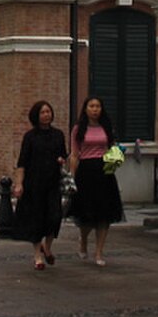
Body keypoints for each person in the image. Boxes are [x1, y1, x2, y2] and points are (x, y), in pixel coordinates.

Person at [68, 96, 124, 266]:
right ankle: (83, 240)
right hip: (85, 171)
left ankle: (99, 252)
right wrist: (72, 176)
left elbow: (111, 147)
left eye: (98, 106)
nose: (95, 109)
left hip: (104, 171)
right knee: (86, 214)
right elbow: (75, 154)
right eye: (91, 106)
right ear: (85, 109)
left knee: (104, 214)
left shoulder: (106, 127)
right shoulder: (78, 129)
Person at [12, 100, 68, 270]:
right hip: (34, 184)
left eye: (48, 112)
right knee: (36, 219)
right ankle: (38, 256)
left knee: (54, 217)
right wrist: (19, 184)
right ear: (36, 115)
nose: (46, 115)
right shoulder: (30, 137)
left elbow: (63, 156)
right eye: (43, 112)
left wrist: (61, 161)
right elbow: (22, 162)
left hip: (52, 183)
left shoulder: (58, 135)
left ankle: (48, 247)